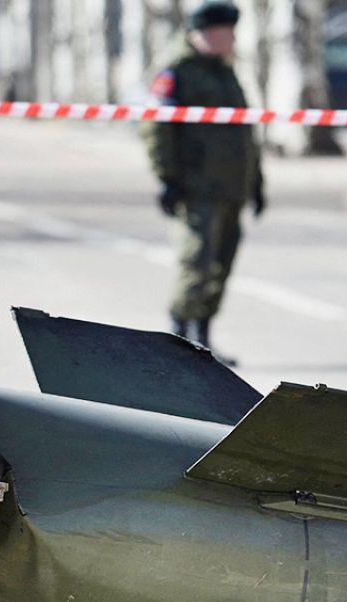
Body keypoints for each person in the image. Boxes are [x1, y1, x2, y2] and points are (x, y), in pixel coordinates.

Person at [142, 0, 265, 364]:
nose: (233, 40)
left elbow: (244, 134)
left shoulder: (225, 71)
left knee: (221, 265)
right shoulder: (177, 71)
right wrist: (167, 179)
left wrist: (256, 182)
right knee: (195, 264)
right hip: (196, 189)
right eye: (228, 33)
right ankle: (177, 339)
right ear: (209, 33)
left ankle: (202, 340)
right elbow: (156, 128)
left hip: (231, 187)